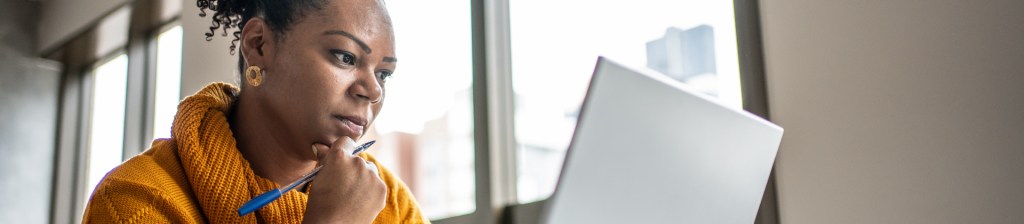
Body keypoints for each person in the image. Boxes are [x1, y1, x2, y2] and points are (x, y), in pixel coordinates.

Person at [83, 0, 428, 223]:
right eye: (346, 57)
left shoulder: (390, 203)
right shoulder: (134, 201)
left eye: (383, 74)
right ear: (258, 45)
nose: (372, 90)